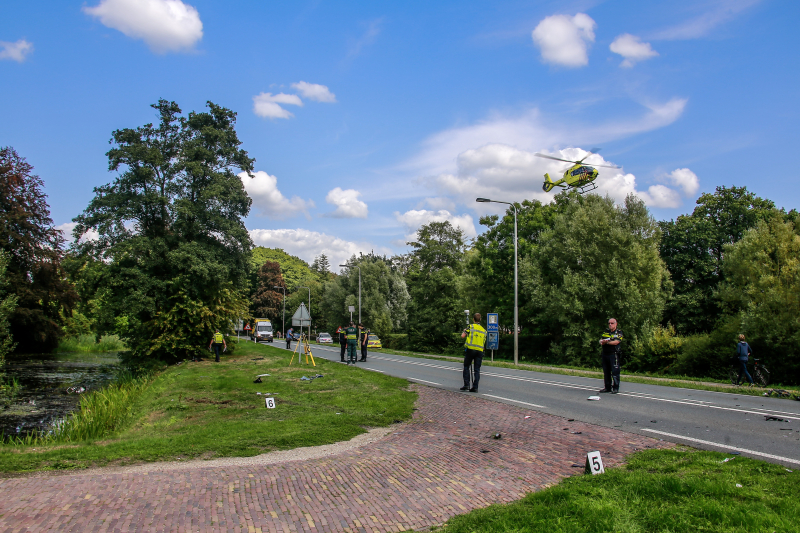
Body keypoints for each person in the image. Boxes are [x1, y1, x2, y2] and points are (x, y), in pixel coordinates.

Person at [460, 313, 486, 392]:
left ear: (473, 319)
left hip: (471, 350)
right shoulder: (484, 330)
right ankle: (475, 387)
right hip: (480, 351)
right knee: (477, 369)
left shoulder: (470, 327)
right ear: (480, 319)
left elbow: (462, 336)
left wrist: (464, 331)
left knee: (466, 366)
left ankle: (466, 385)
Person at [599, 318, 624, 393]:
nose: (610, 325)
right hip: (605, 353)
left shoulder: (619, 332)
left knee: (615, 371)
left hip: (614, 354)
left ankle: (615, 388)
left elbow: (616, 342)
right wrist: (602, 341)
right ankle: (607, 387)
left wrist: (607, 342)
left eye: (612, 323)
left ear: (616, 324)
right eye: (609, 323)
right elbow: (601, 340)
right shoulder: (606, 332)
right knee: (606, 372)